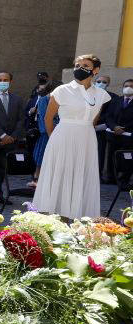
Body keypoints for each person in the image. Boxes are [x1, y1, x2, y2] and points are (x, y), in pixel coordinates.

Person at [32, 55, 111, 219]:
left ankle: (75, 216)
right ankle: (51, 216)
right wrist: (56, 139)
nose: (80, 68)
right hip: (62, 136)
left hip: (87, 138)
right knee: (60, 174)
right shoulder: (62, 90)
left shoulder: (102, 95)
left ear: (95, 70)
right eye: (77, 65)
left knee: (80, 173)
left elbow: (94, 120)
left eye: (85, 65)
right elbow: (48, 118)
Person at [0, 71, 25, 201]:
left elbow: (21, 120)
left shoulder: (17, 99)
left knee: (2, 169)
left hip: (10, 142)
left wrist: (12, 136)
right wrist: (2, 135)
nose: (2, 82)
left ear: (10, 82)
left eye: (5, 80)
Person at [104, 78, 133, 186]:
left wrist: (123, 128)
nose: (128, 88)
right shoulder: (116, 100)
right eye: (126, 86)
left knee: (127, 157)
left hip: (129, 137)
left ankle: (124, 180)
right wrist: (114, 127)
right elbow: (108, 116)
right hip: (114, 135)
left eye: (131, 86)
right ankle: (111, 177)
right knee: (111, 156)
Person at [95, 75, 119, 182]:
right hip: (86, 128)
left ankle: (97, 176)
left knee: (100, 152)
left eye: (104, 82)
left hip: (102, 129)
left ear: (108, 84)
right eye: (99, 81)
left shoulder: (113, 97)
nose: (101, 83)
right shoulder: (87, 94)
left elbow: (111, 114)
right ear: (95, 81)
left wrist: (98, 125)